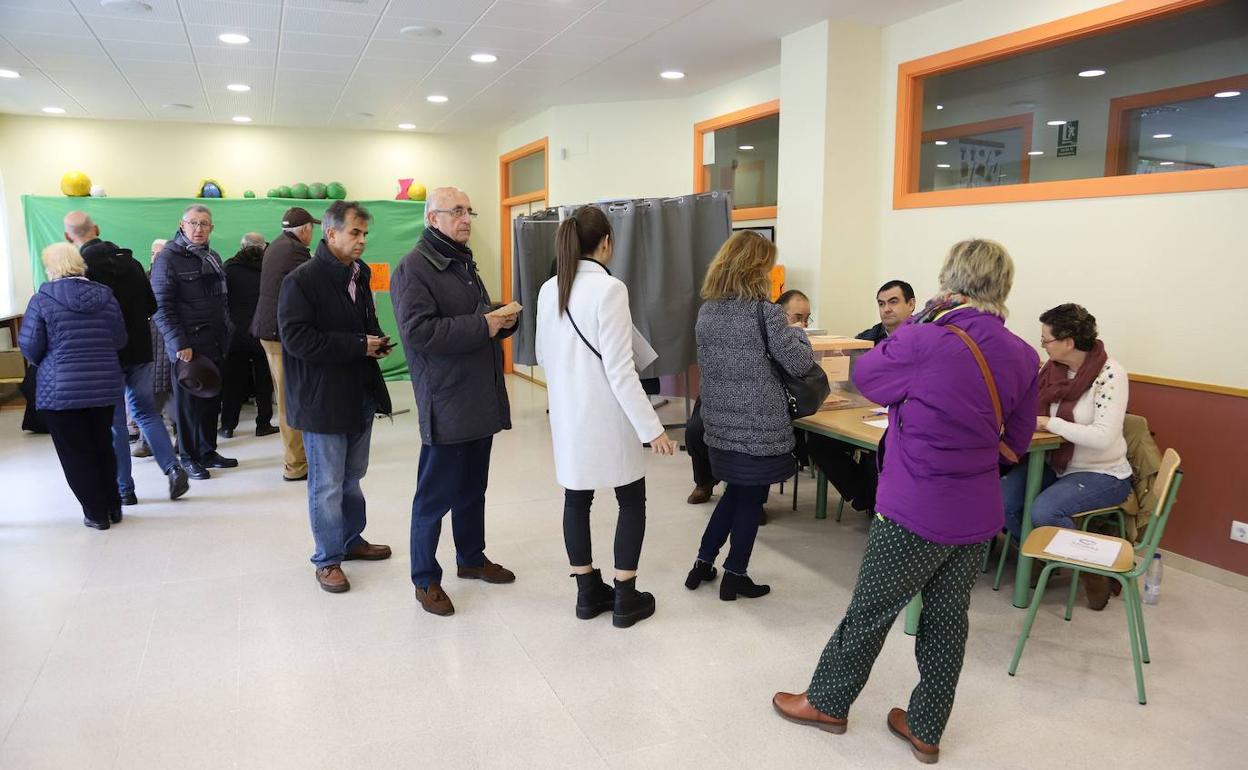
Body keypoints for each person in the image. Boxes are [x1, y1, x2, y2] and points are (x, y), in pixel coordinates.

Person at [772, 239, 1039, 765]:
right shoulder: (1023, 354)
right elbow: (1018, 441)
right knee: (947, 621)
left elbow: (869, 378)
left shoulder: (929, 340)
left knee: (870, 610)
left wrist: (927, 324)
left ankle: (827, 702)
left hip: (916, 506)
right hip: (976, 511)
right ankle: (926, 727)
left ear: (950, 282)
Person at [535, 205, 677, 628]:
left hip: (567, 417)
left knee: (576, 499)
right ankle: (625, 598)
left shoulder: (548, 289)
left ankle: (586, 594)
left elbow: (544, 356)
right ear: (606, 242)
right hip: (608, 417)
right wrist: (653, 430)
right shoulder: (610, 289)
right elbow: (620, 370)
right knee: (630, 500)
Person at [391, 186, 519, 617]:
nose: (466, 219)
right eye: (457, 212)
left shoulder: (461, 262)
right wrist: (483, 325)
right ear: (433, 219)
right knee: (433, 496)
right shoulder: (415, 268)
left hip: (477, 396)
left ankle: (471, 558)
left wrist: (499, 319)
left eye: (469, 211)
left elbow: (470, 316)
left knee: (472, 489)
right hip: (446, 400)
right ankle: (425, 579)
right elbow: (420, 333)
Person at [684, 231, 815, 601]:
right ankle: (735, 575)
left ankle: (703, 563)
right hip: (759, 429)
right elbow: (799, 362)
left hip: (721, 426)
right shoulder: (766, 313)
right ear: (756, 269)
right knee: (751, 499)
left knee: (733, 494)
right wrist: (799, 333)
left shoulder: (707, 311)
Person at [279, 200, 393, 593]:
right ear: (331, 234)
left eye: (364, 234)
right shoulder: (301, 280)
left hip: (358, 392)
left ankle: (350, 540)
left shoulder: (359, 274)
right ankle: (327, 558)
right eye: (354, 233)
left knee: (351, 479)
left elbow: (365, 323)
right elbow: (297, 340)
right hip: (322, 399)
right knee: (326, 485)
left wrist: (376, 342)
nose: (361, 240)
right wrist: (359, 345)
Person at [1003, 303, 1131, 610]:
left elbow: (1104, 437)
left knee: (1045, 511)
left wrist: (1051, 423)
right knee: (1001, 501)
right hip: (1055, 465)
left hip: (1103, 473)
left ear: (1069, 342)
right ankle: (1041, 552)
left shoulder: (1111, 374)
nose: (1043, 345)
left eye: (1046, 340)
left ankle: (1092, 573)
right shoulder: (1052, 371)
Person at [64, 212, 189, 503]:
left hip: (105, 354)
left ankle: (125, 489)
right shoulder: (131, 263)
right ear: (97, 229)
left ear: (70, 237)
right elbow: (151, 305)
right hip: (141, 349)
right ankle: (172, 468)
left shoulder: (81, 268)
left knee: (115, 422)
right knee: (146, 413)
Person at [19, 243, 127, 529]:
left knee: (75, 452)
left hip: (61, 389)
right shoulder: (106, 296)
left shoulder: (41, 300)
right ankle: (114, 507)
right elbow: (119, 340)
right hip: (103, 386)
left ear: (51, 267)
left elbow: (31, 347)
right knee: (103, 445)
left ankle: (95, 512)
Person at [685, 288, 813, 508]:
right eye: (797, 317)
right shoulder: (762, 316)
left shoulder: (771, 321)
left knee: (760, 434)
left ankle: (753, 499)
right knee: (696, 429)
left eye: (806, 319)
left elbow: (797, 365)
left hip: (759, 396)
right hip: (721, 390)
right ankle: (705, 481)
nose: (803, 324)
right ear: (782, 313)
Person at [804, 280, 915, 514]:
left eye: (893, 302)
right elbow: (848, 379)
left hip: (904, 417)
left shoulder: (926, 341)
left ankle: (880, 506)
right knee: (819, 441)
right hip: (864, 411)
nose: (886, 309)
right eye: (881, 304)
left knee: (878, 452)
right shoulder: (867, 339)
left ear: (911, 304)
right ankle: (862, 497)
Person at [152, 204, 237, 480]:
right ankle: (189, 457)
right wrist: (179, 344)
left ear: (211, 228)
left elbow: (222, 301)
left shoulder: (212, 256)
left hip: (215, 341)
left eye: (204, 224)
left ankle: (208, 451)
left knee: (212, 399)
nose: (199, 229)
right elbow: (161, 306)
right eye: (194, 223)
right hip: (188, 345)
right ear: (182, 225)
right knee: (188, 406)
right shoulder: (168, 258)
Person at [252, 208, 318, 481]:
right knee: (289, 402)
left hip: (269, 331)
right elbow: (314, 287)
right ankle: (295, 465)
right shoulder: (296, 252)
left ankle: (299, 459)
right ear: (304, 230)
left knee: (286, 397)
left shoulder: (277, 245)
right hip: (279, 335)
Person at [220, 232, 277, 439]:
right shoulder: (270, 268)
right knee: (264, 382)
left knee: (233, 383)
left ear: (241, 245)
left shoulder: (229, 268)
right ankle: (263, 424)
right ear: (263, 247)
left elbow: (222, 301)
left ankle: (227, 426)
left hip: (236, 334)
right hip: (262, 331)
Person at [131, 238, 176, 459]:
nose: (156, 256)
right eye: (153, 253)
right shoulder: (141, 278)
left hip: (172, 342)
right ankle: (146, 441)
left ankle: (183, 441)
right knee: (154, 394)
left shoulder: (173, 278)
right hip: (150, 344)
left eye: (160, 252)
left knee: (175, 395)